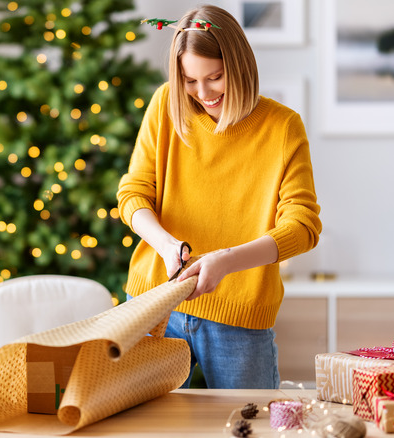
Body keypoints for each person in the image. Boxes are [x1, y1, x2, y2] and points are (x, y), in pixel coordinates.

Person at [117, 5, 321, 389]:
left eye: (215, 77)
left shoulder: (282, 127)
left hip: (239, 319)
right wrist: (165, 245)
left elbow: (303, 226)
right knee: (143, 427)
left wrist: (225, 261)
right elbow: (133, 194)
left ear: (240, 66)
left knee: (250, 425)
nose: (203, 93)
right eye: (189, 80)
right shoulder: (166, 105)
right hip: (153, 304)